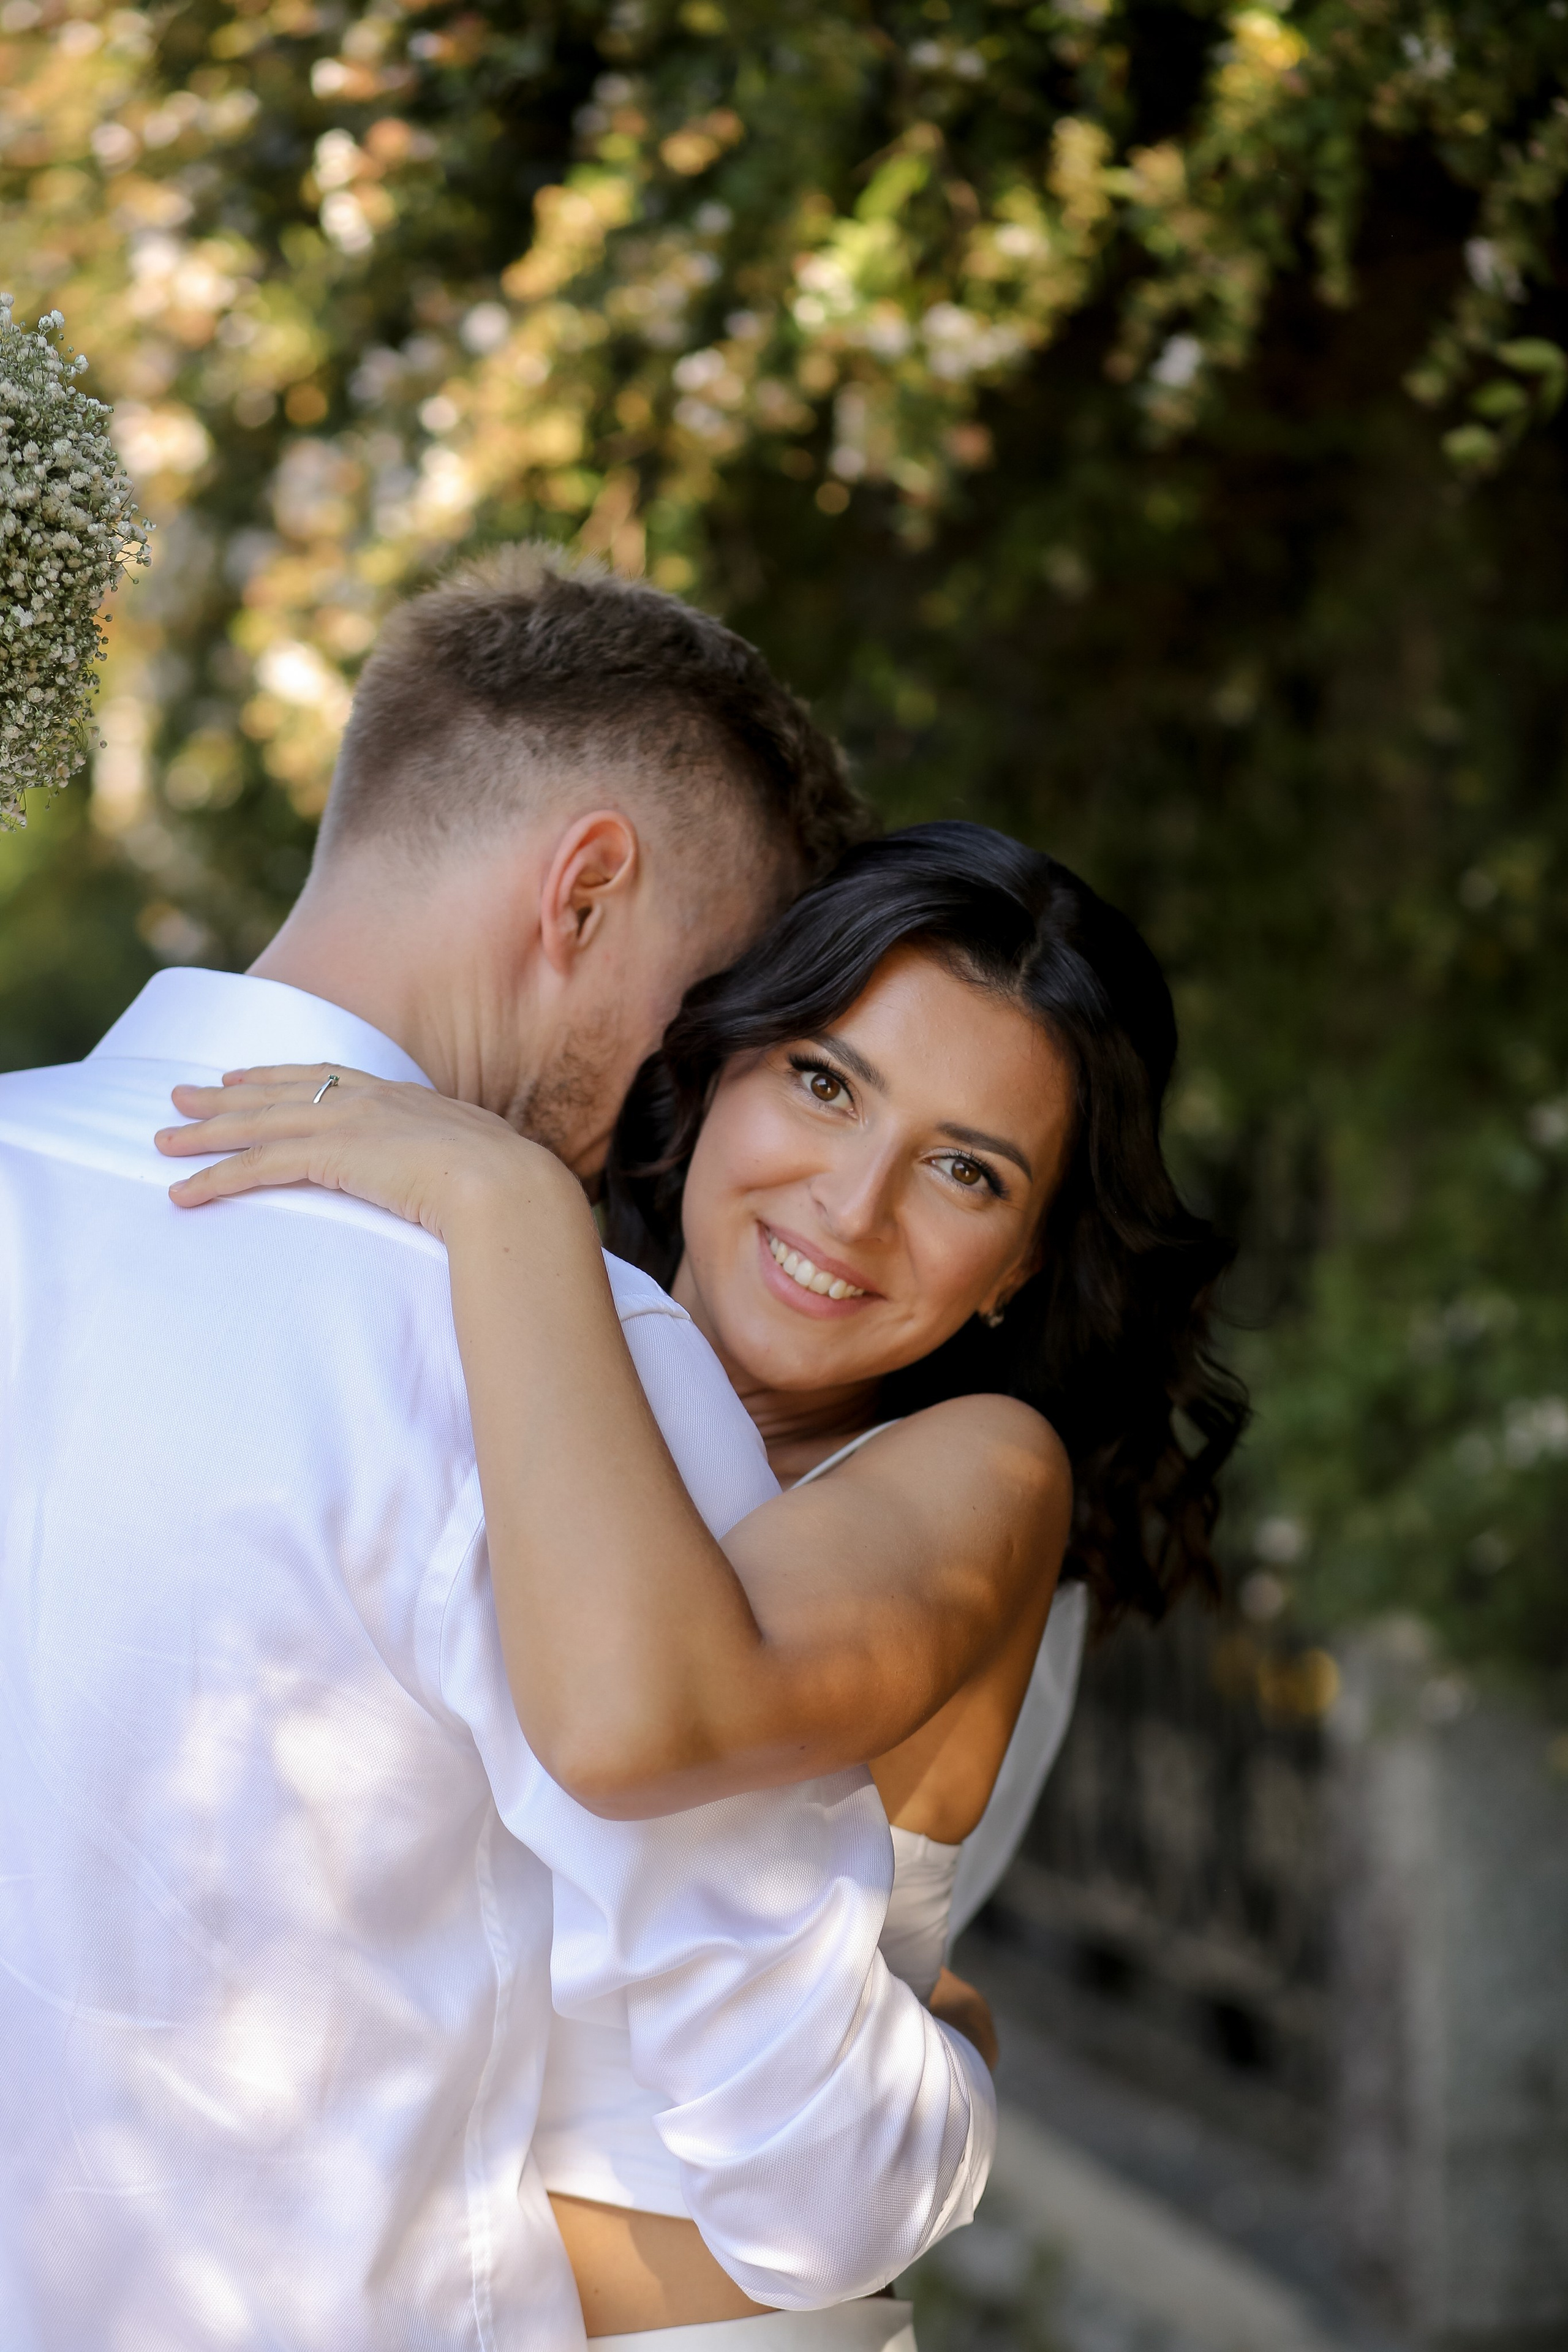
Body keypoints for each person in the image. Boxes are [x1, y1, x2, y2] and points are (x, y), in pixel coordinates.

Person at [0, 549, 998, 2352]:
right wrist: (945, 2081)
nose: (674, 1088)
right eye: (703, 1008)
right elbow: (813, 2170)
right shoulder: (556, 1351)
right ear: (588, 888)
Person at [158, 821, 1246, 2345]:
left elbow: (654, 1721)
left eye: (962, 1171)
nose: (851, 1209)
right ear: (719, 1074)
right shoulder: (504, 1374)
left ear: (1017, 1266)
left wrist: (509, 1202)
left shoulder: (980, 1471)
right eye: (824, 1082)